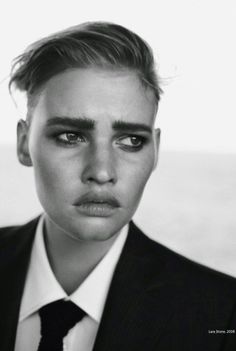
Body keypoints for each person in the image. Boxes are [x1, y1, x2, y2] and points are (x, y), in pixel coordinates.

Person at [0, 21, 236, 351]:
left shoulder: (224, 315)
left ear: (155, 151)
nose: (101, 171)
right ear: (25, 143)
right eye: (71, 136)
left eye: (130, 140)